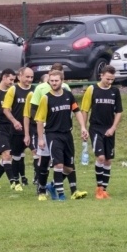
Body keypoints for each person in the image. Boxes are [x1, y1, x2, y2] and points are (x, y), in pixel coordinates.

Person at [35, 70, 89, 201]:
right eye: (51, 81)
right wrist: (41, 138)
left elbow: (77, 111)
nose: (54, 83)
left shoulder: (68, 95)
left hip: (67, 134)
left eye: (56, 80)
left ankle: (52, 186)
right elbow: (39, 120)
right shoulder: (46, 98)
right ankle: (61, 194)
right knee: (58, 165)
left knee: (69, 168)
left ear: (62, 81)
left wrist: (83, 127)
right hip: (53, 135)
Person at [26, 63, 70, 200]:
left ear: (62, 77)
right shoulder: (40, 89)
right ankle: (41, 190)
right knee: (44, 161)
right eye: (52, 78)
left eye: (58, 76)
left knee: (66, 165)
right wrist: (41, 126)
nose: (54, 82)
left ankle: (54, 186)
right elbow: (34, 109)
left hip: (61, 131)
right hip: (46, 130)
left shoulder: (66, 89)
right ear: (49, 76)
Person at [80, 65, 123, 199]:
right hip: (96, 128)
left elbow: (119, 112)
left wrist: (113, 128)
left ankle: (104, 190)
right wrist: (83, 127)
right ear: (101, 75)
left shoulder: (115, 91)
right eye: (107, 79)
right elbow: (85, 110)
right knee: (101, 158)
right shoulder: (92, 89)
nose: (110, 82)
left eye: (112, 79)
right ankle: (99, 189)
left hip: (109, 129)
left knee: (108, 160)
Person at [2, 66, 35, 188]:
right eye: (27, 77)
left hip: (32, 129)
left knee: (36, 153)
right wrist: (14, 121)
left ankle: (37, 179)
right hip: (17, 129)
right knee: (16, 156)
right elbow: (6, 109)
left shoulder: (35, 90)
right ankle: (16, 181)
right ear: (20, 76)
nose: (29, 79)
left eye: (31, 77)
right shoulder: (13, 90)